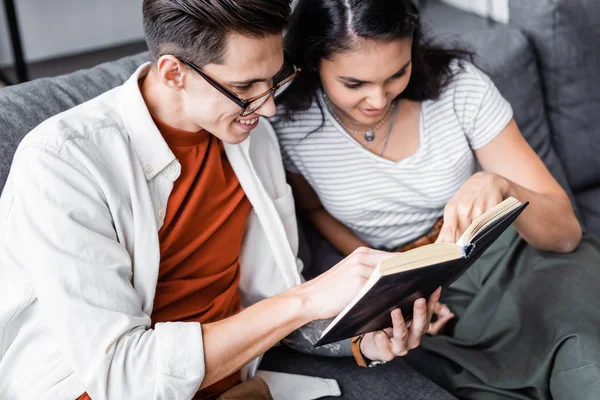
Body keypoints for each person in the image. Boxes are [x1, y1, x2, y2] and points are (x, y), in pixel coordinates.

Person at [0, 1, 453, 399]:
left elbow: (269, 301)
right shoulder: (63, 163)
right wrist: (308, 297)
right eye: (245, 88)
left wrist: (363, 342)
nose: (270, 107)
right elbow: (124, 379)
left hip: (237, 377)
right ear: (173, 73)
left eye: (274, 80)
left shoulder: (249, 139)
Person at [271, 0, 600, 399]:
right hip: (423, 287)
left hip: (511, 257)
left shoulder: (460, 87)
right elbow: (313, 210)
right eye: (354, 84)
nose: (378, 100)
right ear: (312, 62)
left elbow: (565, 235)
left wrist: (503, 186)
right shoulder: (288, 123)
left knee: (584, 362)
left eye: (397, 73)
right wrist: (389, 276)